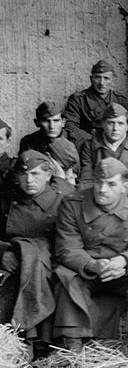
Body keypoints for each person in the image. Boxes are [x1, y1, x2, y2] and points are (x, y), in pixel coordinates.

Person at [52, 158, 128, 356]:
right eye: (98, 182)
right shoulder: (72, 203)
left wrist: (122, 261)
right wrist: (92, 264)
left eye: (111, 184)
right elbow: (67, 247)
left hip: (122, 268)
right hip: (88, 267)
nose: (102, 189)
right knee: (66, 276)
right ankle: (72, 343)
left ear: (124, 187)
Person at [0, 151, 72, 355]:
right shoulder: (5, 201)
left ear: (48, 176)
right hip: (11, 260)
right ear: (16, 177)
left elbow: (69, 240)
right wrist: (3, 253)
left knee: (34, 267)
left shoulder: (63, 200)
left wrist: (31, 254)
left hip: (49, 262)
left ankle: (31, 340)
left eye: (36, 174)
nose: (29, 180)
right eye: (24, 175)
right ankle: (16, 341)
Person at [78, 103, 128, 194]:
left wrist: (117, 191)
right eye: (111, 123)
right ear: (103, 124)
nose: (115, 128)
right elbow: (86, 178)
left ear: (127, 126)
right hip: (100, 194)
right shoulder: (90, 145)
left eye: (120, 123)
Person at [63, 60, 128, 144]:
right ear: (91, 79)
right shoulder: (78, 99)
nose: (102, 83)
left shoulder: (121, 100)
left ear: (113, 80)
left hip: (115, 143)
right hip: (87, 142)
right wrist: (93, 140)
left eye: (106, 78)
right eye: (97, 77)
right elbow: (71, 125)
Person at [19, 102, 80, 185]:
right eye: (46, 121)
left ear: (63, 122)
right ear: (37, 122)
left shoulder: (77, 140)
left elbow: (86, 176)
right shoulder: (29, 142)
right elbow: (26, 171)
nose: (52, 126)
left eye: (56, 120)